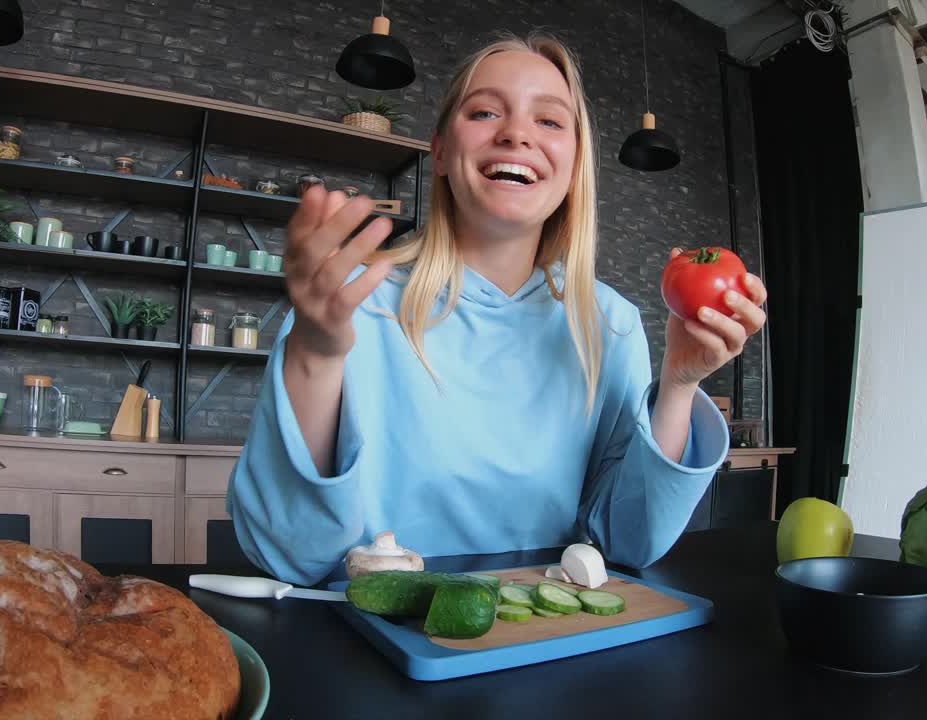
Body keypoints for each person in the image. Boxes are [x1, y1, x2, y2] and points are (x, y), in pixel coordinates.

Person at [228, 34, 768, 586]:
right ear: (441, 151)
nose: (516, 134)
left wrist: (679, 384)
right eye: (485, 112)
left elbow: (627, 542)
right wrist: (316, 355)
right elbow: (293, 555)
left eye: (550, 121)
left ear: (575, 165)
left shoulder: (611, 324)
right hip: (373, 627)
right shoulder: (347, 302)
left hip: (544, 628)